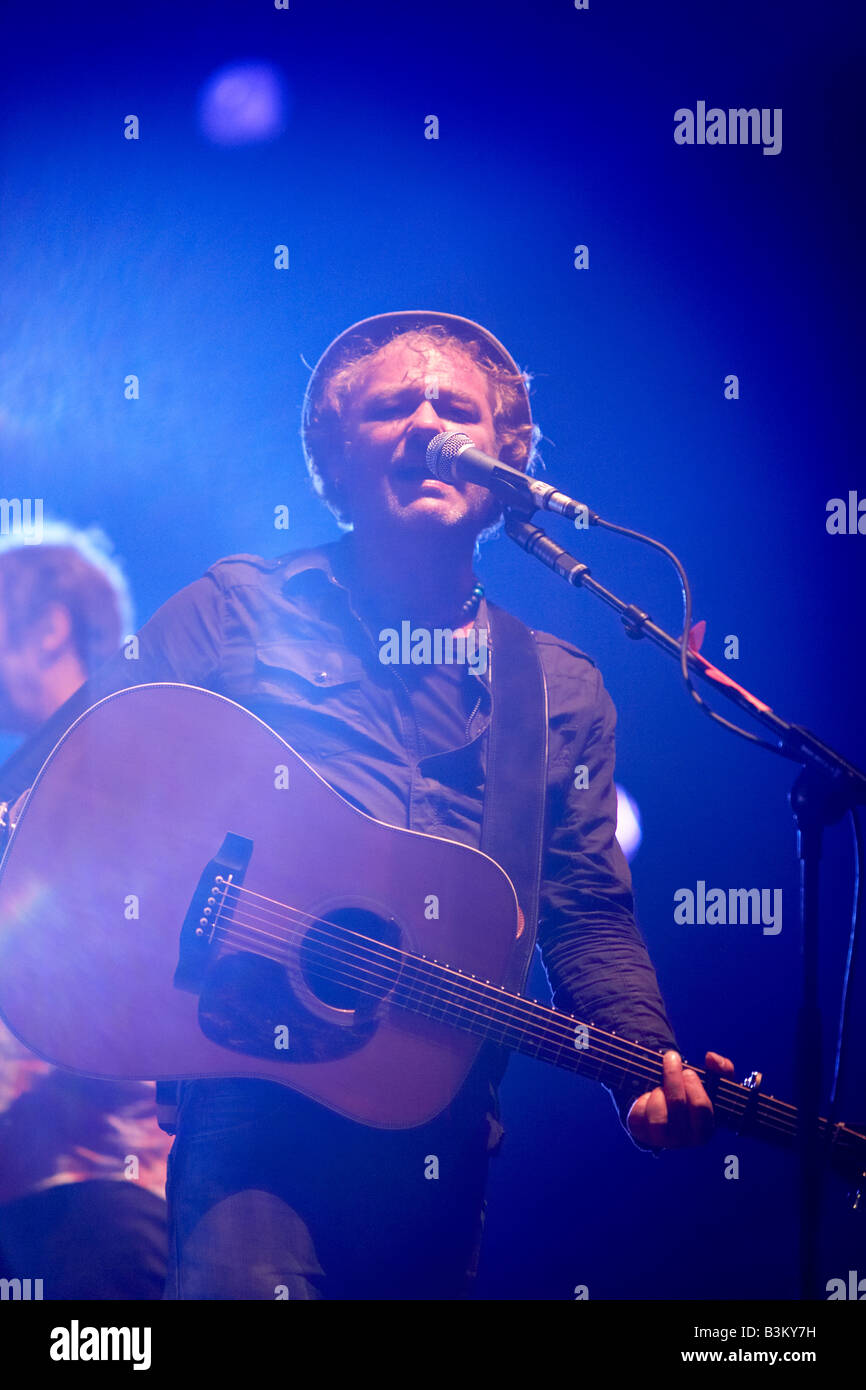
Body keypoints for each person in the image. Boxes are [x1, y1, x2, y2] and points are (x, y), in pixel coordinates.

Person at [0, 314, 734, 1299]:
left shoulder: (557, 687)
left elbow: (587, 914)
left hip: (439, 1115)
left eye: (457, 412)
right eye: (393, 406)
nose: (427, 425)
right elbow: (53, 780)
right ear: (333, 461)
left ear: (503, 465)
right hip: (250, 1100)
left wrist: (642, 1062)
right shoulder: (238, 604)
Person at [0, 527, 171, 1299]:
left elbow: (125, 975)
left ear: (49, 628)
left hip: (101, 1187)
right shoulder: (31, 773)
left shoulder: (116, 765)